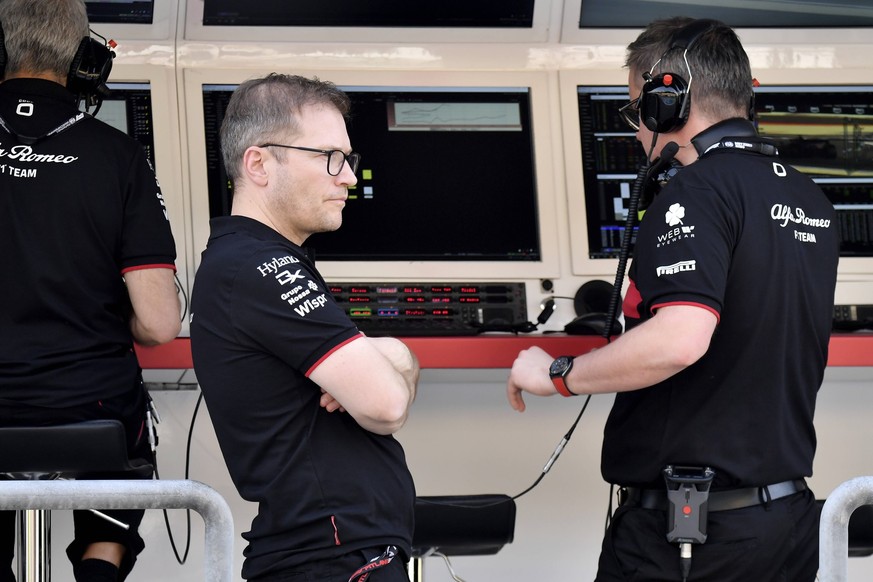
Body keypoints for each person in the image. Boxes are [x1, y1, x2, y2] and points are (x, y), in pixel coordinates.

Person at [506, 17, 839, 582]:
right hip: (785, 526)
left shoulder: (697, 189)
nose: (639, 131)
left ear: (669, 102)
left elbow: (680, 338)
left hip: (693, 541)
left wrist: (557, 372)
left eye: (639, 110)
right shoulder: (808, 196)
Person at [190, 73, 419, 582]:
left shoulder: (264, 262)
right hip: (328, 558)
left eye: (348, 159)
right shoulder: (256, 267)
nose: (349, 177)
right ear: (259, 164)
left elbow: (382, 403)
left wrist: (397, 353)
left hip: (340, 555)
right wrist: (388, 366)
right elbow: (387, 404)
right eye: (329, 157)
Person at [0, 0, 181, 581]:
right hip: (92, 407)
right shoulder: (119, 156)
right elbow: (157, 325)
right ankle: (101, 565)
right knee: (114, 504)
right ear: (84, 60)